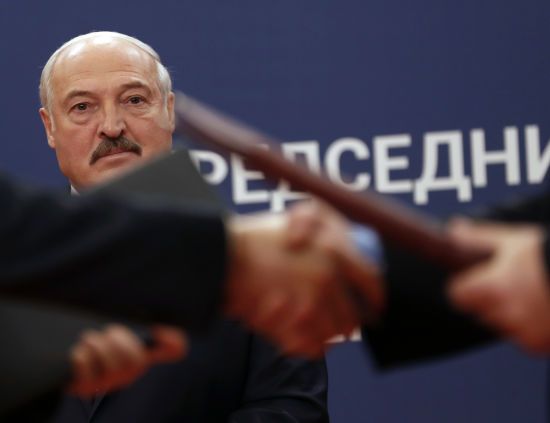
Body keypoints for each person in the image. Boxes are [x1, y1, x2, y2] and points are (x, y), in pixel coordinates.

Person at [36, 31, 361, 422]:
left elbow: (293, 410)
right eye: (82, 107)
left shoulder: (254, 264)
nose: (111, 126)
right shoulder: (19, 264)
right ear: (50, 127)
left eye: (134, 100)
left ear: (169, 110)